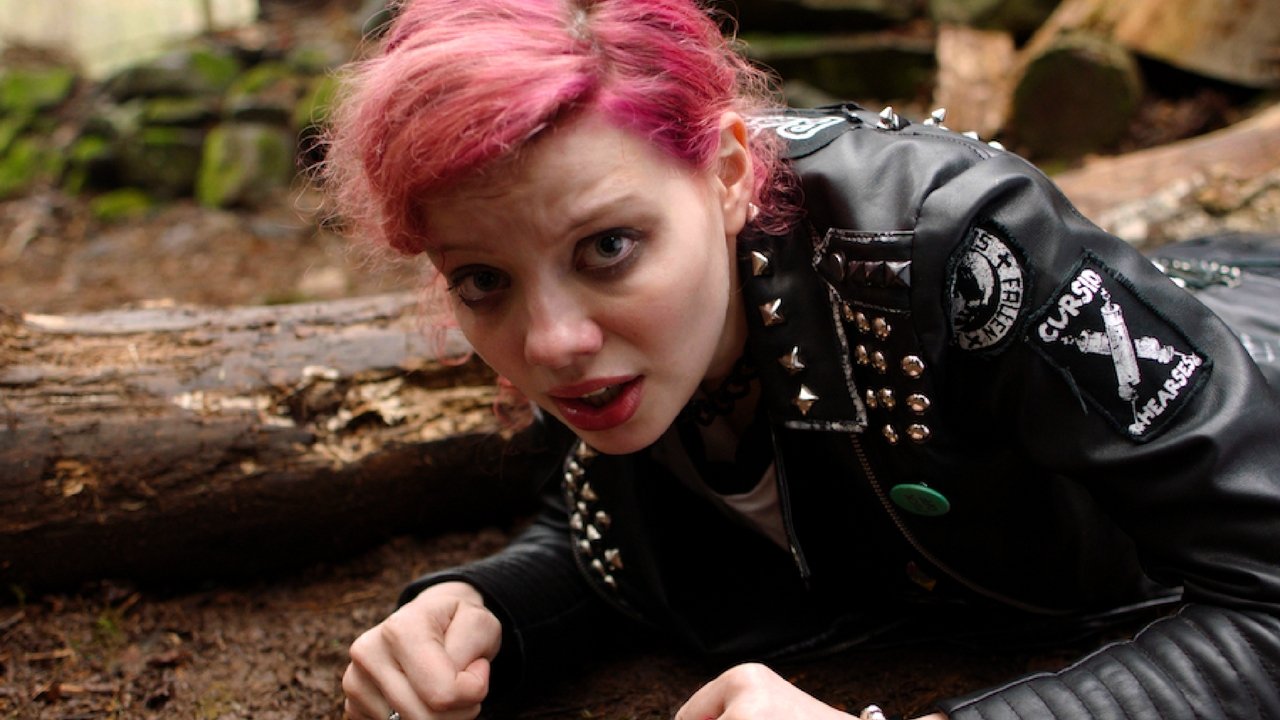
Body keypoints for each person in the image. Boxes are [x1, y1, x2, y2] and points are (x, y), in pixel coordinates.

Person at [325, 1, 1280, 718]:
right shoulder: (602, 336)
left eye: (608, 248)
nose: (549, 343)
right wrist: (486, 610)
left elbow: (1266, 592)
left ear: (730, 173)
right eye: (482, 280)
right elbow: (611, 521)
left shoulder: (961, 248)